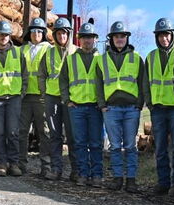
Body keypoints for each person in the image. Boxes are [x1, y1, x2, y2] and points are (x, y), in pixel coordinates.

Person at [96, 21, 145, 193]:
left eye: (122, 36)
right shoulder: (102, 60)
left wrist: (139, 105)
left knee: (130, 146)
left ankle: (131, 180)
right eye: (116, 36)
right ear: (111, 39)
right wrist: (102, 105)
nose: (119, 39)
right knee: (115, 146)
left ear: (127, 38)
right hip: (111, 109)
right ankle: (117, 179)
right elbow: (98, 85)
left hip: (131, 109)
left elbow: (142, 83)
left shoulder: (136, 58)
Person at [143, 18, 174, 196]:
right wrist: (150, 103)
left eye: (167, 34)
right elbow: (146, 82)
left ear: (172, 35)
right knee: (160, 148)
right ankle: (163, 182)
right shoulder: (151, 56)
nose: (164, 39)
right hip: (158, 108)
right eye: (160, 35)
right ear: (156, 37)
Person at [60, 22, 103, 187]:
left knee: (96, 143)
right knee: (79, 143)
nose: (87, 41)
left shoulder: (101, 59)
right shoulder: (71, 59)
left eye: (90, 37)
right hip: (76, 107)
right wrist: (67, 100)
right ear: (79, 40)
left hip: (95, 107)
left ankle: (97, 175)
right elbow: (63, 80)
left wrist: (102, 103)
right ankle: (83, 174)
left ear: (95, 39)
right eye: (84, 37)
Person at [0, 21, 27, 176]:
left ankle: (14, 163)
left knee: (13, 132)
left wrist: (21, 93)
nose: (4, 37)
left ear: (10, 36)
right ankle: (2, 164)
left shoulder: (18, 53)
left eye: (6, 35)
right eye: (1, 34)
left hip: (14, 98)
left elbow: (25, 75)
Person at [39, 18, 77, 181]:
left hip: (71, 99)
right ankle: (56, 169)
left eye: (64, 33)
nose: (62, 36)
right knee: (54, 136)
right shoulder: (49, 52)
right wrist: (44, 93)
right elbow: (42, 74)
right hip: (52, 98)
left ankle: (76, 171)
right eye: (59, 33)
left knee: (73, 135)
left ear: (69, 34)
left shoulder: (76, 52)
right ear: (54, 35)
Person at [19, 18, 52, 177]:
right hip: (25, 97)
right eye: (33, 31)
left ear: (44, 33)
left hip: (41, 97)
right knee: (22, 131)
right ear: (29, 33)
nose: (36, 34)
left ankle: (46, 167)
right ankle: (20, 164)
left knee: (44, 133)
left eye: (39, 31)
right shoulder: (21, 50)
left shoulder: (49, 49)